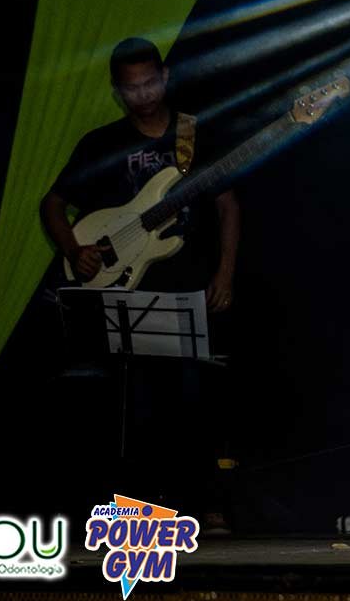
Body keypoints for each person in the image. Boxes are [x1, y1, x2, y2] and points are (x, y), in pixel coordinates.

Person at [41, 36, 240, 529]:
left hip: (187, 286)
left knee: (195, 399)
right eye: (132, 88)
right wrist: (75, 250)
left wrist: (225, 271)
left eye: (150, 83)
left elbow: (227, 205)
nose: (143, 95)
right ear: (117, 91)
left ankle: (202, 506)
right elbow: (53, 204)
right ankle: (135, 512)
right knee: (134, 407)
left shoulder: (193, 135)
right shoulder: (101, 143)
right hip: (122, 289)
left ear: (165, 77)